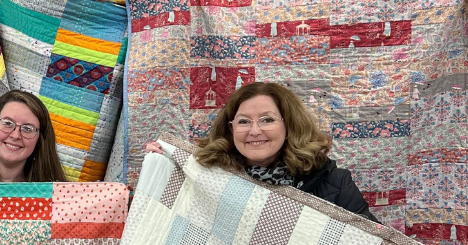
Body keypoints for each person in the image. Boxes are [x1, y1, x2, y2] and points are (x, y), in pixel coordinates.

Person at [146, 81, 372, 218]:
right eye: (244, 121)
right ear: (231, 128)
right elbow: (161, 224)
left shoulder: (335, 182)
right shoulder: (204, 176)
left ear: (288, 124)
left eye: (267, 120)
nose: (255, 131)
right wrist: (160, 170)